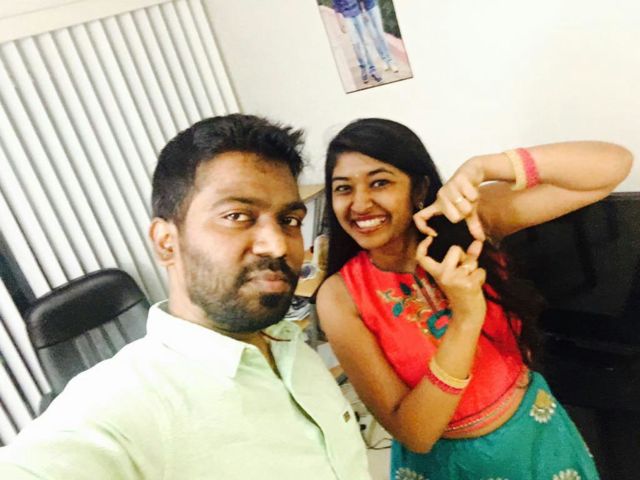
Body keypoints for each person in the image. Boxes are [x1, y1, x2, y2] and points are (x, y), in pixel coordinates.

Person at [0, 114, 371, 480]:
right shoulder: (122, 406)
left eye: (289, 220)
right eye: (237, 216)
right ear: (166, 243)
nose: (277, 245)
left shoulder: (289, 344)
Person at [316, 117, 633, 479]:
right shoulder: (340, 297)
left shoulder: (470, 221)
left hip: (536, 436)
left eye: (380, 182)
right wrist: (467, 316)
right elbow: (416, 433)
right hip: (449, 467)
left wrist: (484, 166)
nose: (359, 203)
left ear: (419, 188)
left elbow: (613, 166)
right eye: (343, 188)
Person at [333, 0, 382, 83]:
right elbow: (336, 7)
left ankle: (372, 69)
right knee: (356, 45)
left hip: (358, 13)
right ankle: (363, 68)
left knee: (365, 42)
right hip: (347, 17)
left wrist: (363, 11)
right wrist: (340, 23)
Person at [359, 0, 399, 73]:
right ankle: (384, 59)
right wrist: (363, 11)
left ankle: (390, 61)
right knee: (374, 37)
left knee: (381, 34)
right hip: (363, 12)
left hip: (373, 6)